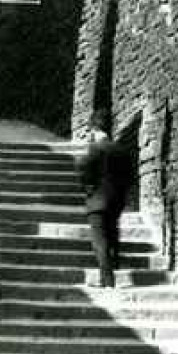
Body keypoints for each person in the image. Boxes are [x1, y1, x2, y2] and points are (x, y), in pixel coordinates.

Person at [78, 111, 134, 287]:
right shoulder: (121, 150)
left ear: (94, 130)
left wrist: (88, 188)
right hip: (117, 199)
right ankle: (115, 263)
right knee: (112, 231)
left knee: (99, 239)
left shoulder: (95, 148)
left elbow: (83, 169)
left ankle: (107, 279)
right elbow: (130, 176)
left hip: (98, 200)